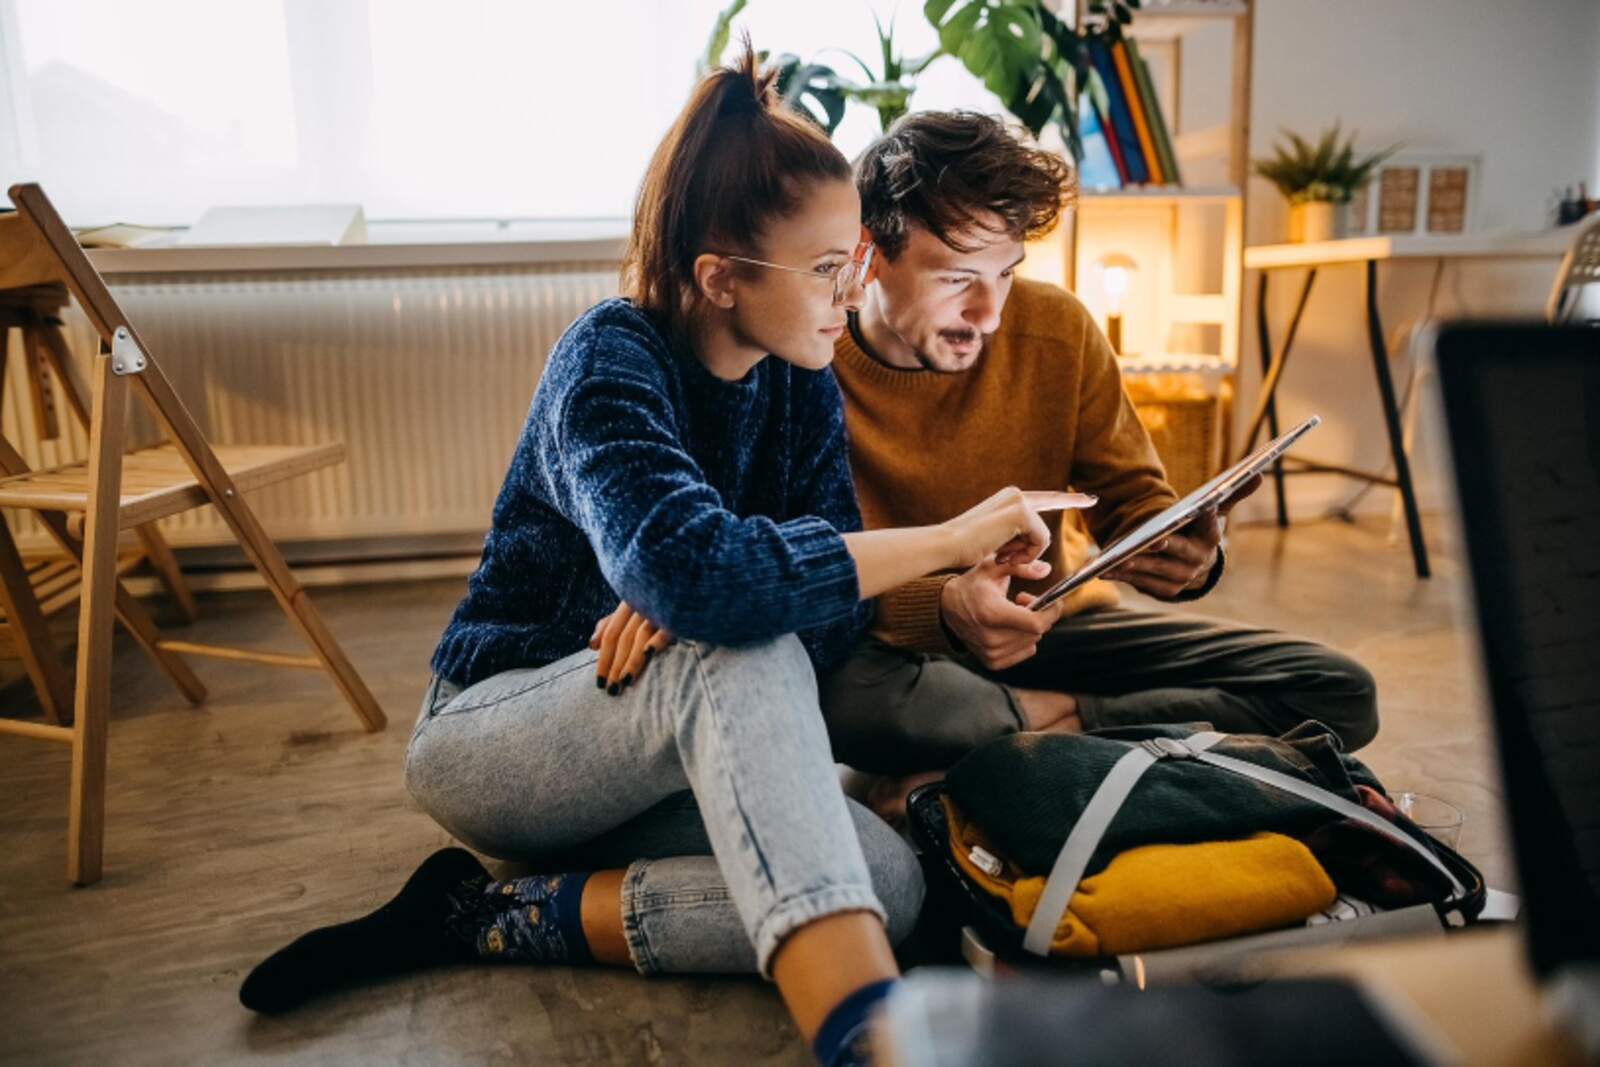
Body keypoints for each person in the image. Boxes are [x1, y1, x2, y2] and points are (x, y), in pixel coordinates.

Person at [238, 52, 1080, 1067]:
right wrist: (937, 544)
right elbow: (706, 582)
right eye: (823, 268)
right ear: (719, 279)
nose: (846, 290)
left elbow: (823, 626)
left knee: (888, 882)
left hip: (660, 749)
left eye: (850, 258)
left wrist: (713, 588)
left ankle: (493, 913)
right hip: (499, 737)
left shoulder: (799, 382)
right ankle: (871, 1040)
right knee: (739, 644)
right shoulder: (606, 359)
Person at [817, 111, 1380, 819]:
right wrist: (944, 607)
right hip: (896, 651)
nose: (988, 313)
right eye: (958, 277)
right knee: (836, 695)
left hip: (1051, 631)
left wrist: (1183, 552)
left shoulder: (1057, 330)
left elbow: (1132, 498)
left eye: (1007, 274)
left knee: (1338, 688)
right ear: (868, 255)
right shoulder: (809, 361)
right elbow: (809, 577)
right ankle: (1069, 742)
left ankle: (1046, 728)